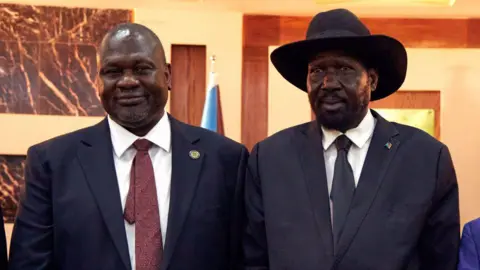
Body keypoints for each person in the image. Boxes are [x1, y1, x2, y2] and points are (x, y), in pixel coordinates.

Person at [8, 22, 248, 270]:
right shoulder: (50, 162)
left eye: (142, 69)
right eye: (113, 72)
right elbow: (29, 263)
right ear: (98, 82)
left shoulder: (226, 159)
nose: (128, 82)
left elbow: (243, 259)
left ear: (167, 76)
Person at [243, 8, 460, 270]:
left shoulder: (426, 158)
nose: (328, 83)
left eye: (344, 69)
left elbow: (441, 261)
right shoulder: (269, 158)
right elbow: (253, 259)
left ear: (373, 80)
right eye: (317, 71)